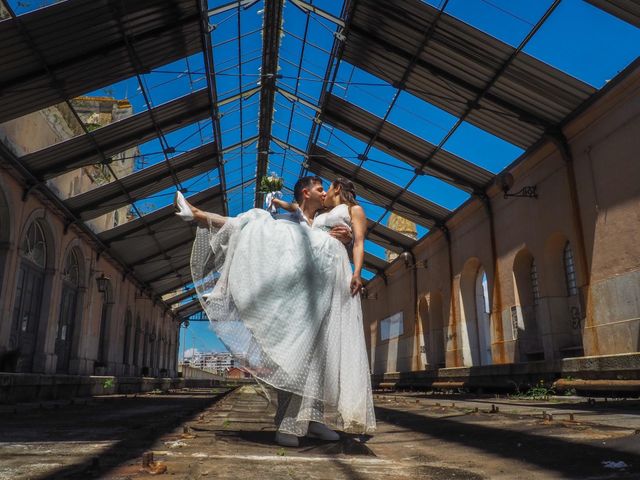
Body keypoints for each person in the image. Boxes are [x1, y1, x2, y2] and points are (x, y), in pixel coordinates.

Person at [175, 176, 376, 447]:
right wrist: (282, 204)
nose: (324, 192)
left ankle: (315, 421)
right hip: (308, 283)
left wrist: (355, 266)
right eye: (320, 189)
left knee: (321, 353)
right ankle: (289, 424)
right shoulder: (309, 217)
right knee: (256, 224)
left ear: (338, 189)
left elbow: (356, 239)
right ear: (307, 193)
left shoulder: (344, 212)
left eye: (326, 188)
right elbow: (294, 218)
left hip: (329, 276)